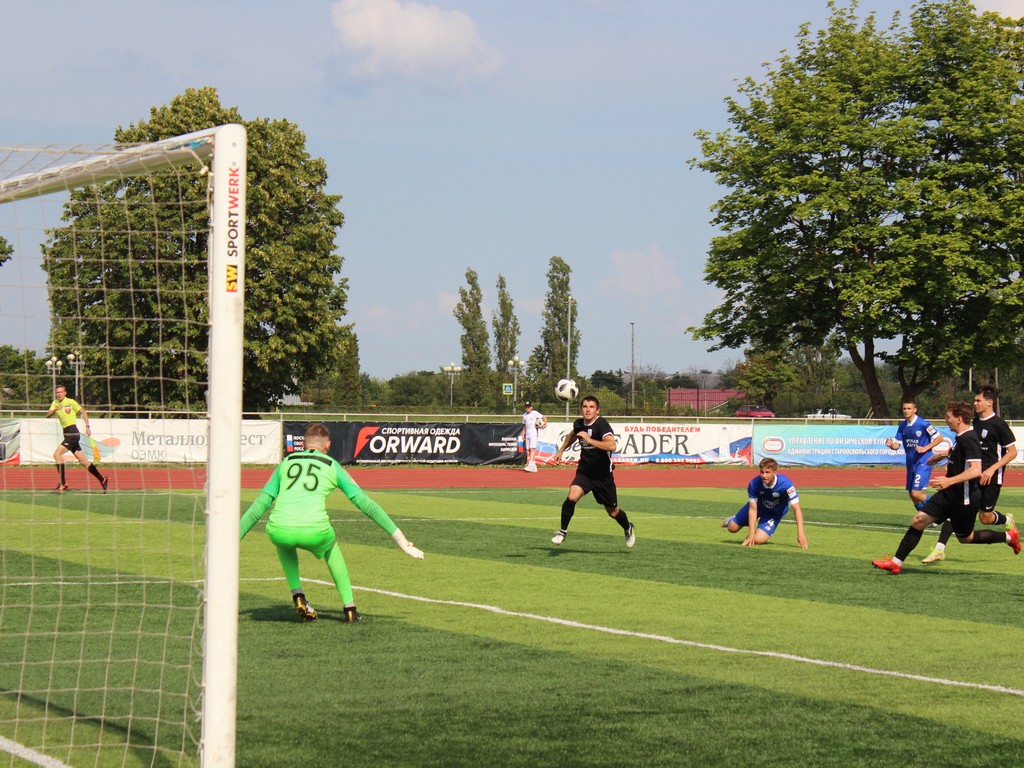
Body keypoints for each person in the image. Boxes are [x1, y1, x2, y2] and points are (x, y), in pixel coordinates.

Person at [239, 423, 424, 622]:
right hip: (315, 531)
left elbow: (259, 506)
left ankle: (298, 594)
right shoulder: (331, 465)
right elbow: (366, 505)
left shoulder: (286, 463)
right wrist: (400, 539)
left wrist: (231, 540)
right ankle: (350, 608)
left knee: (283, 537)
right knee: (331, 546)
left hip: (279, 528)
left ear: (304, 444)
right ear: (328, 445)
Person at [872, 400, 1020, 575]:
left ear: (958, 419)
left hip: (964, 499)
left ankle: (1008, 537)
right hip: (948, 495)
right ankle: (896, 563)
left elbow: (975, 470)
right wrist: (939, 456)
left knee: (966, 538)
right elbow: (957, 453)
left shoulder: (969, 439)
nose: (945, 420)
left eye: (948, 417)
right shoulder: (961, 438)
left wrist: (949, 481)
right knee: (919, 520)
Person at [921, 385, 1018, 564]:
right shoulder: (975, 422)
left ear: (989, 403)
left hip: (991, 477)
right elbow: (966, 446)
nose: (975, 403)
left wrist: (991, 469)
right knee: (956, 506)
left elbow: (1012, 452)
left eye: (978, 400)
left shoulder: (999, 424)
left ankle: (1006, 519)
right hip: (973, 475)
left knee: (985, 518)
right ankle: (939, 549)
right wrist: (943, 455)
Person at [550, 395, 634, 548]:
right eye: (585, 406)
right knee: (572, 496)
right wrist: (560, 451)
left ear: (597, 410)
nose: (588, 410)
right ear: (581, 409)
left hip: (603, 477)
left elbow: (612, 446)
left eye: (591, 407)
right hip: (585, 473)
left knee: (613, 512)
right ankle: (562, 532)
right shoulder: (579, 424)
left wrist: (589, 440)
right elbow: (573, 434)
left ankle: (628, 527)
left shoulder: (602, 425)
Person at [721, 457, 808, 548]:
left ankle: (760, 531)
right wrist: (751, 533)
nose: (764, 476)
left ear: (775, 473)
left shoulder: (786, 485)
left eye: (767, 472)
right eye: (762, 472)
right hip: (758, 507)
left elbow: (796, 508)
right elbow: (753, 509)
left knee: (757, 540)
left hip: (774, 514)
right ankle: (732, 520)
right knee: (732, 528)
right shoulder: (753, 484)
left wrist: (800, 533)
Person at [45, 384, 108, 493]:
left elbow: (84, 412)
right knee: (83, 461)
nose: (59, 394)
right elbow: (48, 415)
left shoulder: (70, 402)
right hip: (66, 433)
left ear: (65, 393)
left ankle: (63, 483)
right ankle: (102, 479)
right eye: (57, 392)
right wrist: (55, 409)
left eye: (61, 392)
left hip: (72, 432)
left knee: (57, 455)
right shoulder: (55, 403)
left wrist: (88, 427)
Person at [885, 398, 944, 511]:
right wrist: (891, 445)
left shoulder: (923, 424)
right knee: (912, 495)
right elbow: (897, 446)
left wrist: (925, 448)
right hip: (911, 463)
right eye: (904, 408)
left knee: (916, 493)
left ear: (915, 410)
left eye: (909, 408)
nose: (906, 411)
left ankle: (942, 510)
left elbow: (939, 438)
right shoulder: (902, 426)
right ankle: (929, 517)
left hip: (924, 461)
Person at [521, 400, 547, 472]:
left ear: (531, 407)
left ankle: (531, 464)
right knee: (528, 449)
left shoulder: (534, 413)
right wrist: (523, 433)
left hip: (533, 433)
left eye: (529, 406)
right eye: (526, 407)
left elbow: (544, 417)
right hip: (528, 434)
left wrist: (545, 423)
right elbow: (524, 426)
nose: (527, 408)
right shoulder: (524, 415)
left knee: (532, 448)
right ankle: (533, 465)